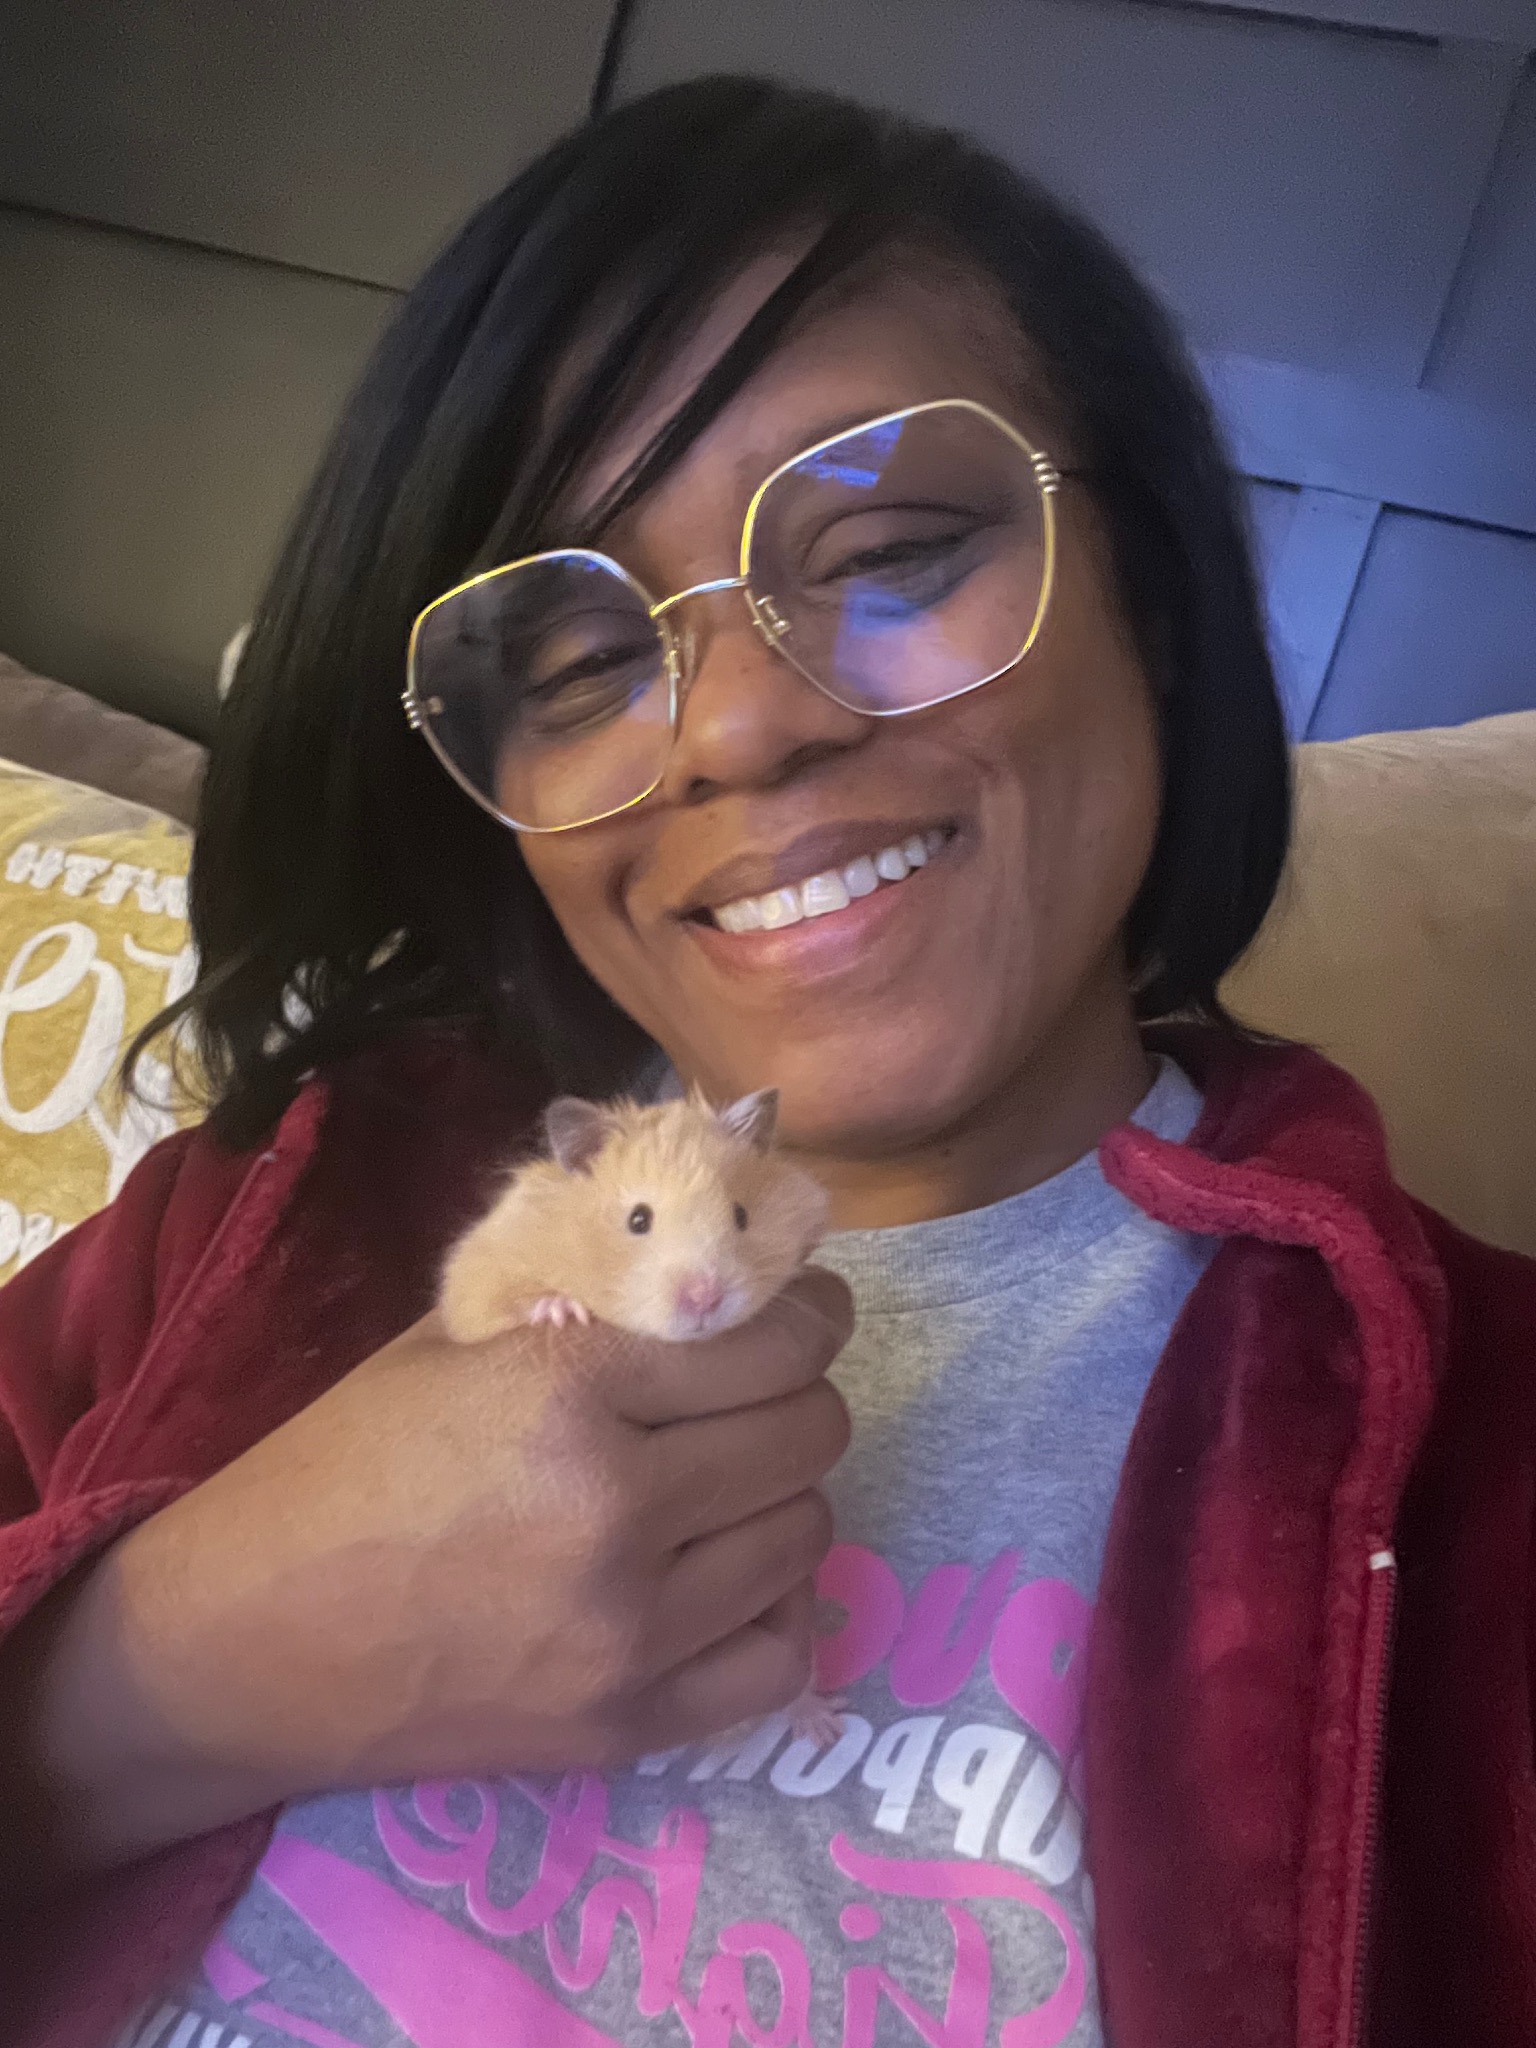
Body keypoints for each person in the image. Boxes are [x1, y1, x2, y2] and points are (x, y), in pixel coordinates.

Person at [0, 74, 1531, 2048]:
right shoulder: (278, 1201)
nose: (734, 727)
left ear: (1148, 594)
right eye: (578, 662)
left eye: (890, 552)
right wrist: (157, 1680)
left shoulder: (1478, 1461)